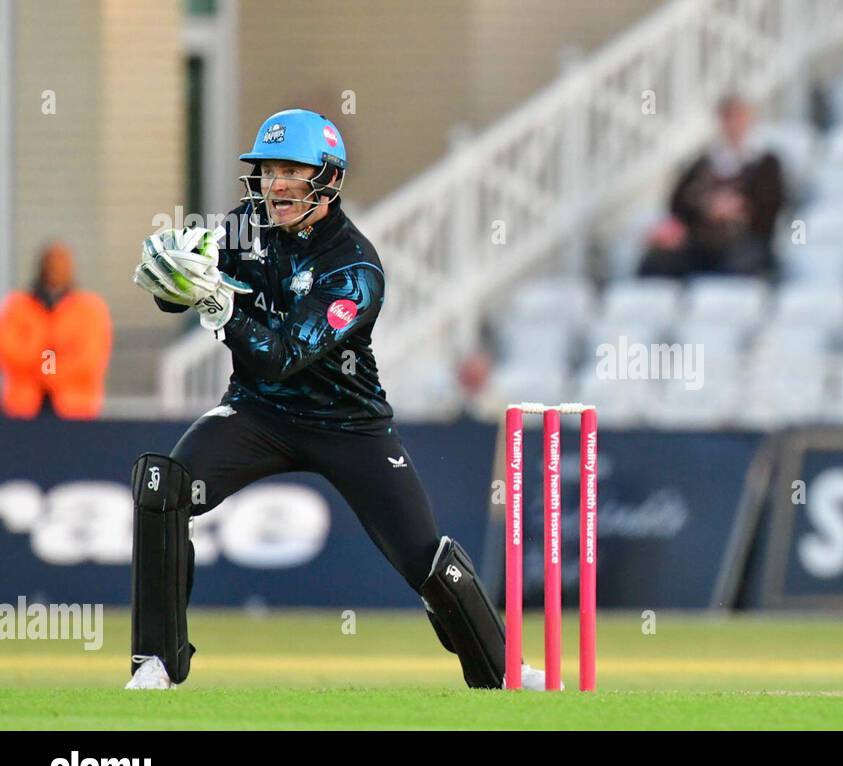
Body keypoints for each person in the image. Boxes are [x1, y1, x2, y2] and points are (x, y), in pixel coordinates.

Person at [126, 109, 545, 690]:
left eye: (292, 171)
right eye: (269, 170)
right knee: (161, 486)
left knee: (424, 559)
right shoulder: (245, 226)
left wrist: (219, 302)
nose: (276, 185)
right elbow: (182, 297)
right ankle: (157, 665)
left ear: (328, 177)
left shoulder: (354, 267)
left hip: (348, 425)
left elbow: (281, 354)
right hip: (258, 411)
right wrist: (171, 275)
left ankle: (503, 672)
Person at [637, 95, 785, 279]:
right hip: (701, 242)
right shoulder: (703, 163)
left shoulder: (766, 162)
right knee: (655, 263)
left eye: (738, 117)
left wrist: (739, 207)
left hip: (747, 241)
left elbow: (773, 204)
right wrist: (707, 207)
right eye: (728, 118)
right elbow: (678, 202)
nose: (733, 124)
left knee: (737, 267)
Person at [0, 243, 112, 419]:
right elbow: (10, 352)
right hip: (22, 409)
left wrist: (51, 374)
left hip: (75, 409)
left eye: (61, 264)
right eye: (51, 263)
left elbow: (88, 359)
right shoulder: (18, 306)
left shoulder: (90, 309)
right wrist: (42, 348)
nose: (55, 269)